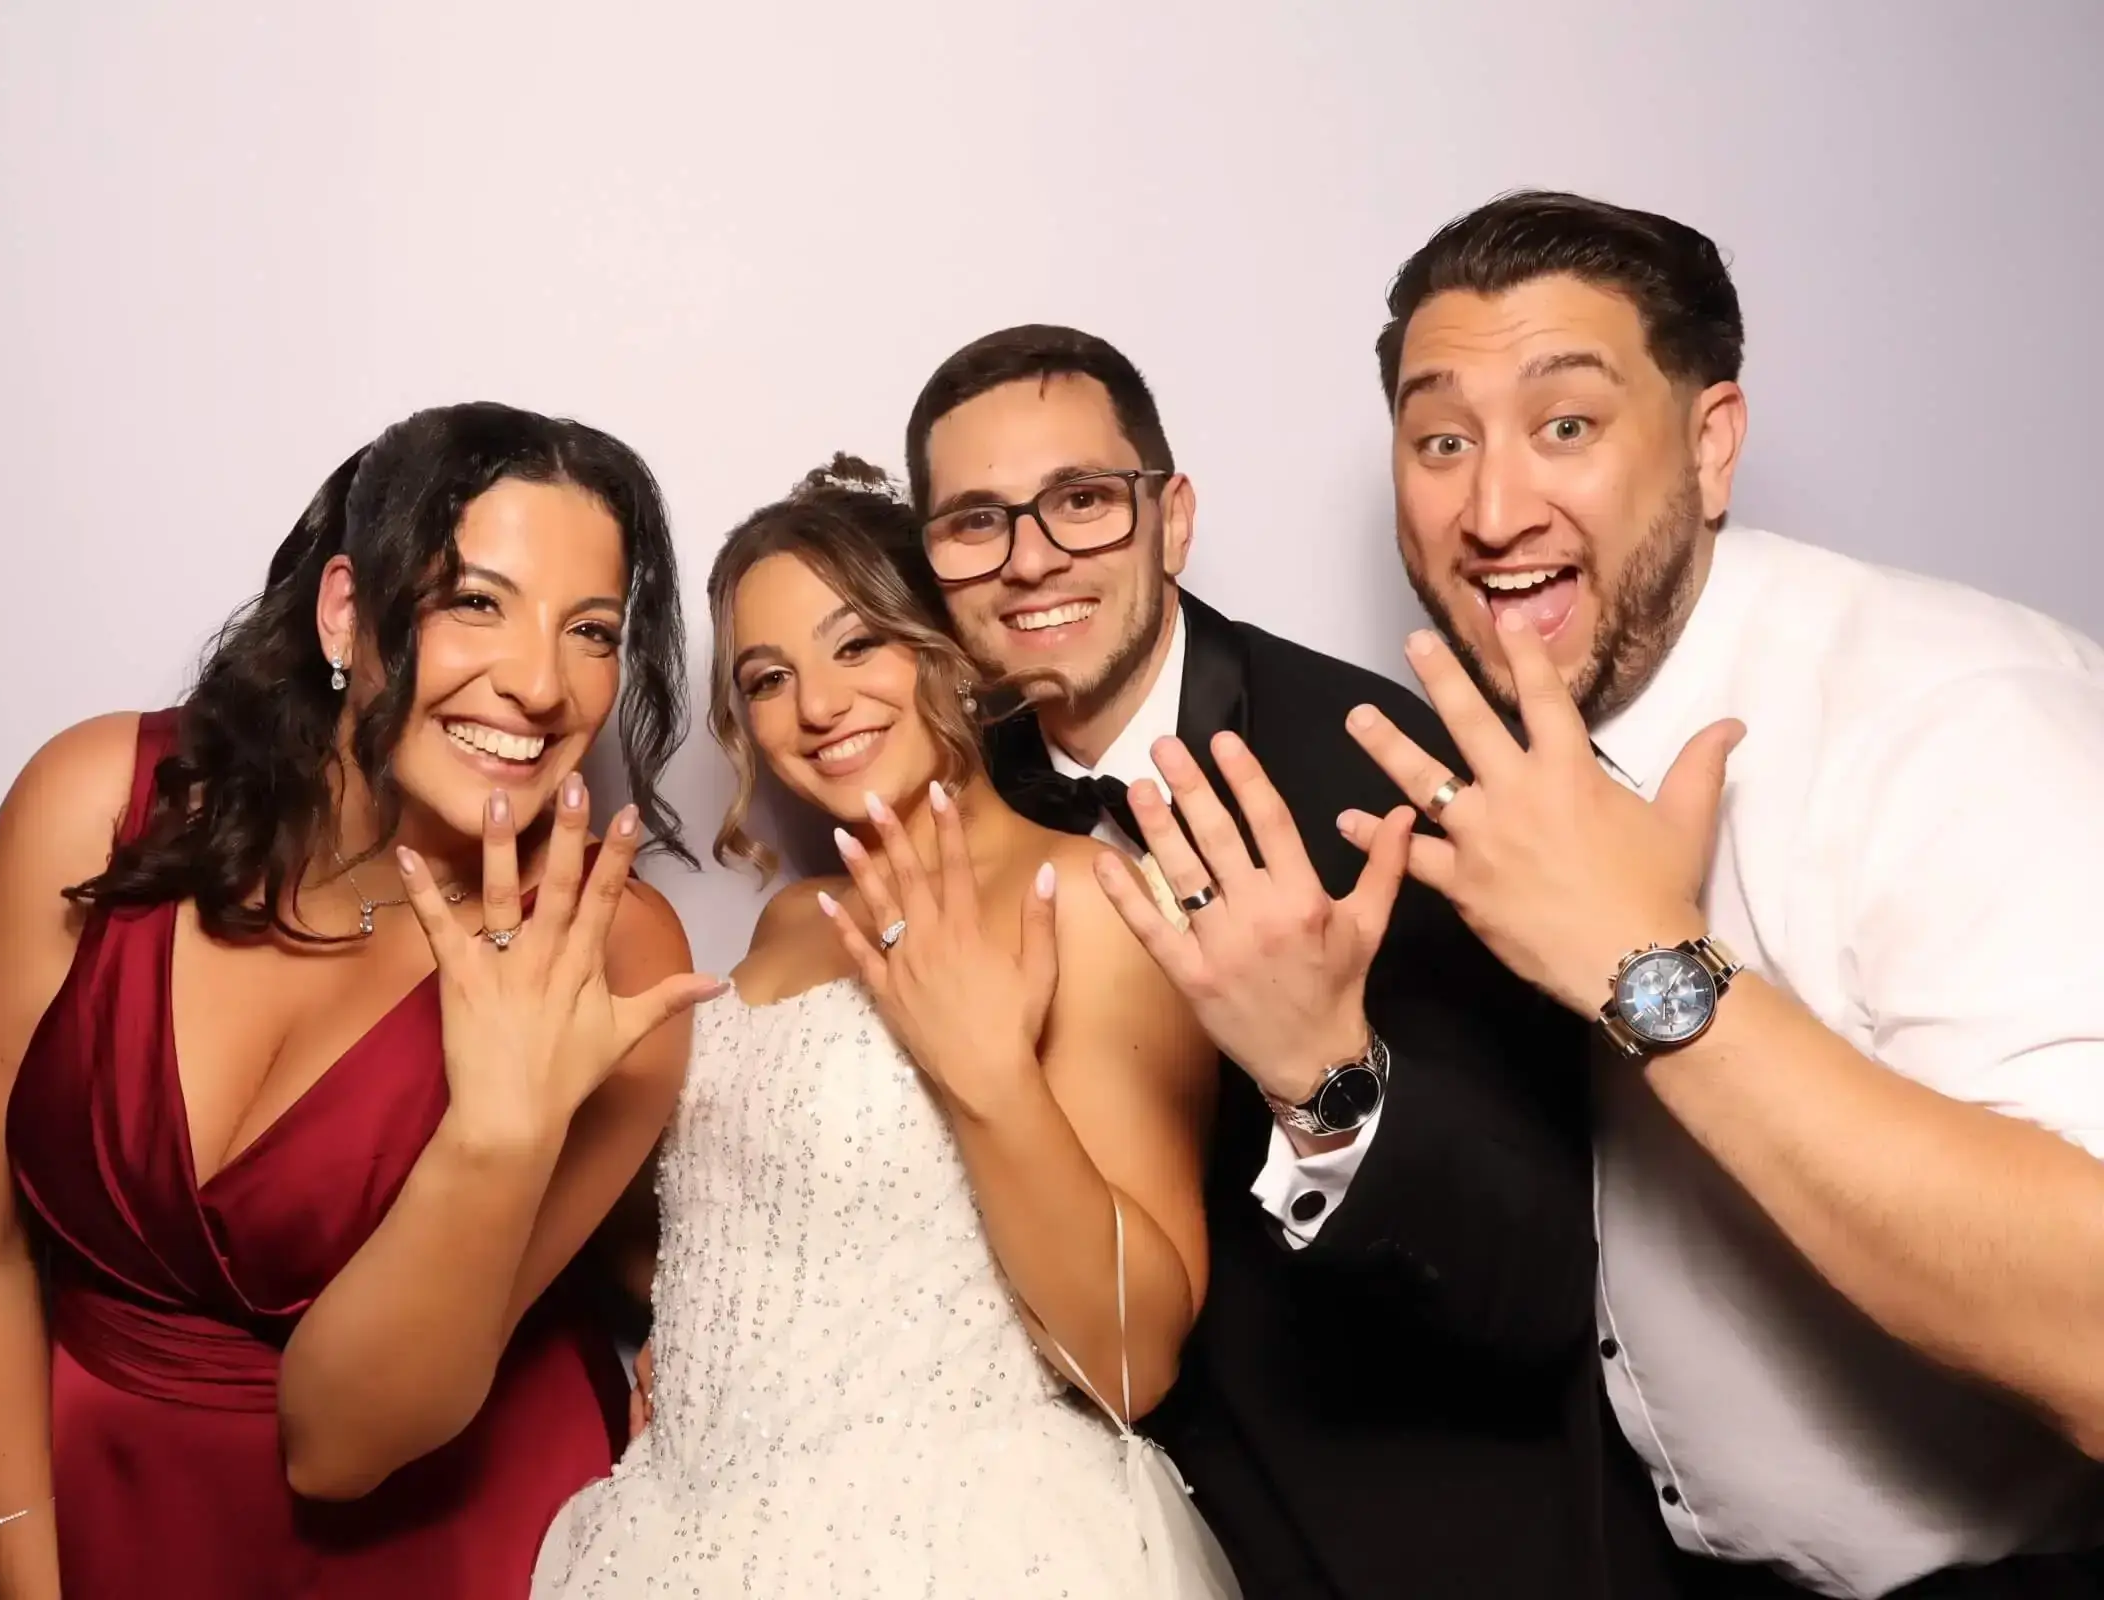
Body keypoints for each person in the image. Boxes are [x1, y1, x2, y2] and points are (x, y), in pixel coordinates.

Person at [1341, 189, 2104, 1597]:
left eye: (1565, 424)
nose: (1495, 509)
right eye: (1442, 440)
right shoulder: (1508, 774)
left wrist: (1647, 963)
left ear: (1710, 446)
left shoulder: (1956, 714)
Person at [902, 326, 1682, 1598]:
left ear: (1175, 516)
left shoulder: (1389, 776)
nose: (1028, 556)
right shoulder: (956, 802)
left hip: (1414, 1546)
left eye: (1083, 502)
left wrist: (1326, 1076)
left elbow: (1543, 1281)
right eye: (974, 522)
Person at [0, 402, 722, 1600]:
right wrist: (27, 1576)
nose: (542, 683)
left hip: (440, 1545)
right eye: (476, 601)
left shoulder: (612, 958)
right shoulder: (97, 802)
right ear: (348, 610)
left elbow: (343, 1447)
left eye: (591, 630)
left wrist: (495, 1133)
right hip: (101, 1512)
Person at [534, 458, 1226, 1597]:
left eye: (859, 644)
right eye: (766, 676)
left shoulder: (1089, 898)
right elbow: (753, 1234)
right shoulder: (788, 923)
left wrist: (987, 1075)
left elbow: (1130, 1354)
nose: (815, 705)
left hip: (960, 1545)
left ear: (947, 645)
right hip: (692, 1532)